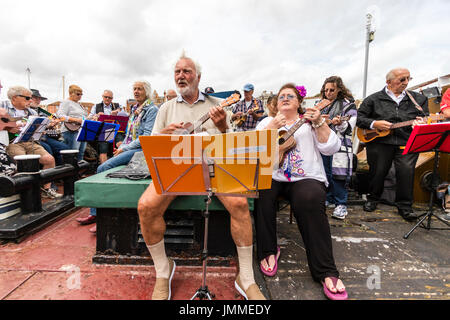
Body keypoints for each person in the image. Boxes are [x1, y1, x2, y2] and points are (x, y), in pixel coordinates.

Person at [137, 53, 265, 300]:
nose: (181, 76)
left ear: (198, 76)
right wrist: (164, 133)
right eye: (177, 72)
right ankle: (164, 271)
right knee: (145, 206)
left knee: (240, 204)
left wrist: (223, 128)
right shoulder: (166, 108)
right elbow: (151, 145)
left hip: (215, 168)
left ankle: (246, 278)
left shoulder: (217, 105)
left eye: (186, 71)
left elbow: (235, 145)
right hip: (177, 169)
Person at [254, 83, 347, 300]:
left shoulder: (310, 122)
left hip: (305, 176)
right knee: (262, 192)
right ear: (276, 103)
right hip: (274, 174)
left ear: (299, 102)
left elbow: (331, 147)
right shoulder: (267, 121)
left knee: (310, 198)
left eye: (290, 96)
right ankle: (268, 250)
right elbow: (255, 150)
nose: (285, 98)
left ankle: (326, 270)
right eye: (281, 96)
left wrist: (320, 123)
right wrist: (271, 129)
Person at [76, 81, 158, 234]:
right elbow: (129, 133)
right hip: (130, 146)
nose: (136, 91)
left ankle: (99, 215)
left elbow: (146, 137)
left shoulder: (151, 109)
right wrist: (121, 146)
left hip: (141, 149)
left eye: (140, 89)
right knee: (106, 163)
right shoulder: (135, 108)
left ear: (147, 91)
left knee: (103, 167)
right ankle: (96, 212)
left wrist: (124, 148)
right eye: (134, 89)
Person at [356, 68, 428, 221]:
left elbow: (424, 117)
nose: (406, 82)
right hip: (379, 142)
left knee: (406, 173)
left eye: (408, 78)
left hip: (406, 141)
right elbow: (359, 119)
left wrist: (421, 123)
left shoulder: (418, 99)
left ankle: (405, 206)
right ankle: (373, 199)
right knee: (377, 172)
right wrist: (375, 123)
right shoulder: (373, 99)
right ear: (388, 82)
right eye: (402, 79)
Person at [0, 86, 62, 198]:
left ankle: (46, 189)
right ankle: (24, 194)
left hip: (29, 141)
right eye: (27, 98)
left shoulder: (32, 111)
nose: (31, 101)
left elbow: (37, 130)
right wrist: (12, 126)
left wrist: (41, 128)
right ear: (14, 98)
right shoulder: (3, 105)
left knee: (49, 160)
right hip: (12, 142)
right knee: (24, 163)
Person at [317, 77, 357, 220]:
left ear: (339, 89)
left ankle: (341, 203)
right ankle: (327, 198)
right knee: (324, 172)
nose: (328, 93)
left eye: (332, 90)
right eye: (326, 90)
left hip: (340, 143)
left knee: (338, 174)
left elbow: (350, 126)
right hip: (322, 142)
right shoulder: (320, 105)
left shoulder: (348, 105)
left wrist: (340, 123)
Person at [30, 89, 70, 166]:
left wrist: (53, 123)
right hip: (34, 138)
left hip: (45, 136)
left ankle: (62, 172)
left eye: (39, 99)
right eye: (35, 98)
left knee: (65, 148)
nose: (38, 100)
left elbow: (55, 118)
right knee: (48, 150)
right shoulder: (28, 110)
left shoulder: (42, 111)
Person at [56, 85, 89, 162]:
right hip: (70, 131)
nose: (80, 96)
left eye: (81, 94)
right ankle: (71, 171)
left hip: (81, 130)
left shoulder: (79, 104)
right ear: (71, 93)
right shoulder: (66, 102)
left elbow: (83, 117)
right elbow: (60, 116)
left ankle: (79, 171)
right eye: (78, 94)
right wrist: (76, 120)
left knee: (81, 152)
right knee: (73, 153)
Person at [88, 90, 122, 164]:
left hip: (116, 130)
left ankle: (118, 165)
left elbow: (124, 114)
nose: (107, 99)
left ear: (112, 98)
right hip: (103, 130)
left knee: (120, 144)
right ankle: (104, 168)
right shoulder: (96, 106)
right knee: (103, 148)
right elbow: (89, 118)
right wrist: (96, 116)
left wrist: (118, 112)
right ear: (102, 97)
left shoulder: (117, 106)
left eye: (109, 98)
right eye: (105, 97)